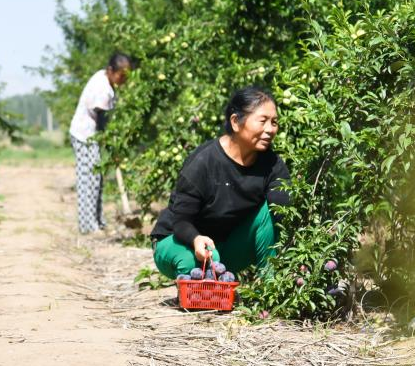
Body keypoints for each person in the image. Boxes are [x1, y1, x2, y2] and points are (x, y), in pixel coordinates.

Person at [150, 86, 289, 280]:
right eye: (263, 121)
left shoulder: (272, 165)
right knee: (202, 260)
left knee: (272, 213)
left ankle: (270, 286)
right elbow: (180, 222)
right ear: (235, 122)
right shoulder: (204, 162)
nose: (270, 129)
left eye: (274, 122)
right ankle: (195, 289)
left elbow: (282, 209)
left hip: (225, 248)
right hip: (179, 240)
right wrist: (196, 239)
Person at [68, 52, 133, 234]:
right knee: (88, 179)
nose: (123, 80)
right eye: (121, 76)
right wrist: (113, 148)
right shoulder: (102, 89)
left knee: (97, 179)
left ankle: (97, 221)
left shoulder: (104, 79)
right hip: (84, 136)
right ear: (111, 70)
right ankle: (88, 227)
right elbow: (103, 123)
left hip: (91, 136)